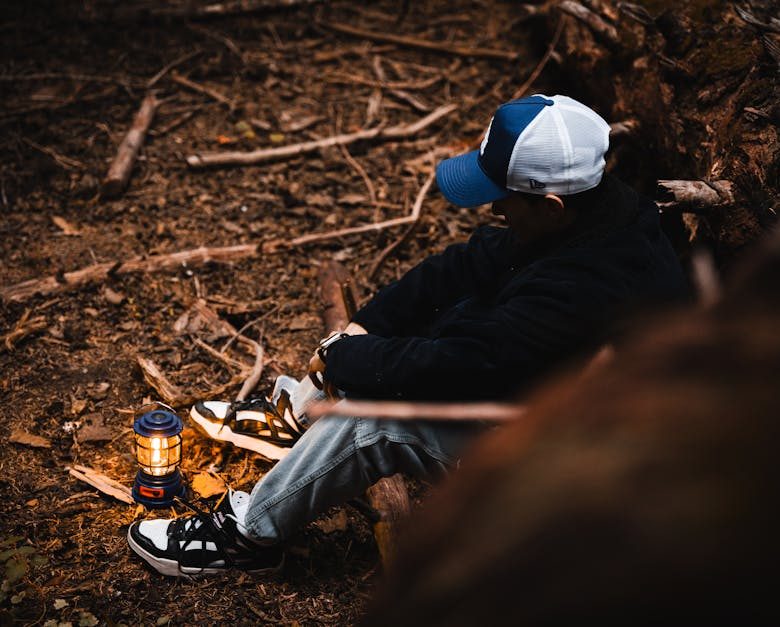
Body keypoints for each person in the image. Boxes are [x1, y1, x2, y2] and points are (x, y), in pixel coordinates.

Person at [127, 95, 688, 577]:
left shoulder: (590, 285)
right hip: (550, 402)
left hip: (580, 482)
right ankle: (297, 416)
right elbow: (465, 264)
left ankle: (249, 537)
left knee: (376, 419)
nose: (493, 206)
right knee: (432, 321)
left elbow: (466, 365)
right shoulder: (595, 214)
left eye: (504, 197)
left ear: (550, 205)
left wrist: (353, 359)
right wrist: (365, 326)